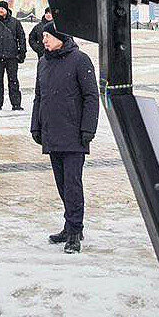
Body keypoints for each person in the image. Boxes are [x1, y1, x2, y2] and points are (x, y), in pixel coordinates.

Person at [29, 23, 99, 253]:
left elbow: (91, 96)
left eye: (47, 36)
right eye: (43, 37)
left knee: (72, 185)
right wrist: (35, 126)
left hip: (73, 133)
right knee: (61, 185)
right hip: (51, 132)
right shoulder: (43, 62)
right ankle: (69, 225)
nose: (44, 40)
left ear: (60, 37)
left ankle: (75, 230)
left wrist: (88, 128)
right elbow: (39, 97)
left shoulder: (80, 60)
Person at [0, 1, 27, 112]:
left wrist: (22, 52)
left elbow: (21, 37)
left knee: (13, 80)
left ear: (7, 10)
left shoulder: (15, 23)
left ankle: (16, 104)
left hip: (12, 56)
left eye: (3, 8)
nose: (1, 10)